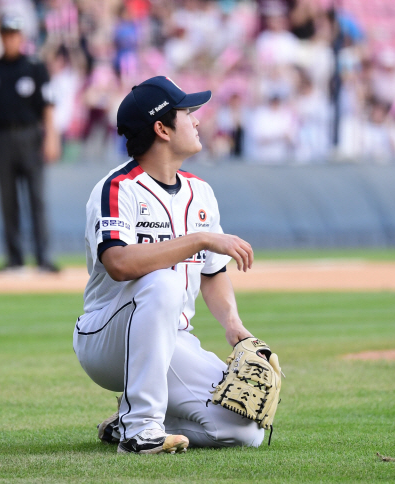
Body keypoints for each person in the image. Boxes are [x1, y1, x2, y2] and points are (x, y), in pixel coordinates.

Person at [73, 76, 264, 454]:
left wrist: (233, 325)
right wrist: (199, 239)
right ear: (161, 128)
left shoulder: (201, 192)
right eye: (187, 112)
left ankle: (132, 420)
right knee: (164, 282)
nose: (196, 120)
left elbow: (212, 272)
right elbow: (118, 263)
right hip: (108, 338)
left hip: (171, 339)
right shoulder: (118, 187)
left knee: (245, 429)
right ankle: (139, 431)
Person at [0, 14, 61, 272]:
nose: (10, 38)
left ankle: (43, 256)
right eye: (6, 34)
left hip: (30, 136)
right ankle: (14, 257)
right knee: (7, 200)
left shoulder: (35, 66)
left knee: (37, 198)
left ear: (21, 37)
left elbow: (47, 106)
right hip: (2, 137)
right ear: (1, 37)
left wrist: (52, 138)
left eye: (14, 34)